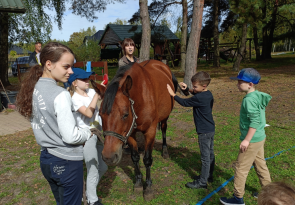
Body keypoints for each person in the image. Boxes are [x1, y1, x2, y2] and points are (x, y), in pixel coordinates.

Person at [16, 42, 92, 205]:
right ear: (49, 64)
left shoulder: (33, 89)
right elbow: (71, 137)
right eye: (66, 67)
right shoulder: (61, 94)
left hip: (46, 160)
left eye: (71, 67)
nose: (71, 71)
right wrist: (88, 132)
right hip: (67, 163)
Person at [220, 68, 272, 205]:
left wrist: (247, 140)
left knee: (241, 168)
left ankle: (238, 198)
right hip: (260, 137)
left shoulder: (249, 100)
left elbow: (254, 121)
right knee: (261, 165)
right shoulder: (257, 96)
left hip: (252, 140)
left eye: (240, 82)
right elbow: (259, 118)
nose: (237, 84)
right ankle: (269, 193)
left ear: (250, 84)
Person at [167, 71, 215, 189]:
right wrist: (188, 89)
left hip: (203, 131)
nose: (193, 88)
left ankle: (202, 182)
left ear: (203, 86)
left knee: (205, 157)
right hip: (210, 128)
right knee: (210, 154)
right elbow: (196, 94)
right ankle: (208, 176)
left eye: (195, 86)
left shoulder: (199, 98)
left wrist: (173, 94)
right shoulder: (208, 94)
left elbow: (184, 102)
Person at [68, 68, 108, 205]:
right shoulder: (74, 99)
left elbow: (105, 97)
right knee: (93, 166)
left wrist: (102, 88)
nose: (88, 81)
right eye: (84, 79)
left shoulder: (91, 91)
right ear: (74, 83)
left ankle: (86, 194)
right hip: (87, 136)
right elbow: (88, 114)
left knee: (103, 167)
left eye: (88, 78)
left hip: (98, 133)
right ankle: (92, 200)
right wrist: (97, 95)